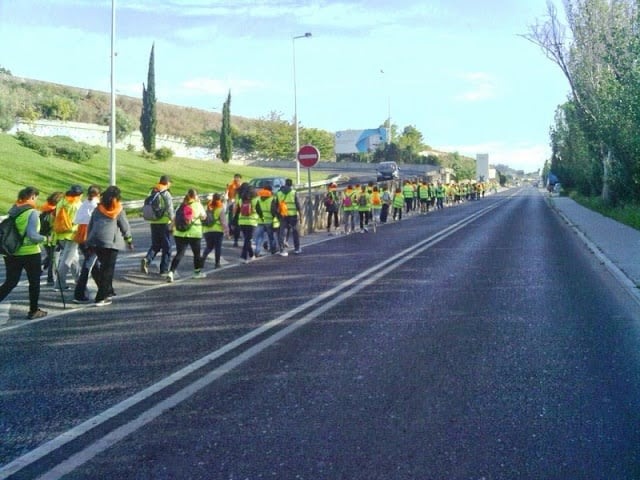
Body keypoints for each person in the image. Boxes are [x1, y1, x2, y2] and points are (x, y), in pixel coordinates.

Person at [0, 186, 48, 319]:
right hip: (30, 253)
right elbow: (32, 235)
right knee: (34, 282)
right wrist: (45, 238)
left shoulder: (13, 210)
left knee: (10, 282)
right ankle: (33, 310)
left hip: (12, 252)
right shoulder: (31, 213)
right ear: (32, 197)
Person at [86, 185, 133, 306]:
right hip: (111, 242)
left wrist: (89, 240)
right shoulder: (118, 210)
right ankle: (101, 297)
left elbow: (91, 224)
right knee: (108, 269)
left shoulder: (98, 209)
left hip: (96, 241)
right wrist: (129, 240)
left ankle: (108, 290)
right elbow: (124, 226)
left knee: (102, 267)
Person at [167, 188, 206, 282]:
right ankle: (197, 272)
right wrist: (199, 204)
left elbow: (174, 217)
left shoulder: (182, 205)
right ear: (196, 196)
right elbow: (204, 217)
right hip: (194, 233)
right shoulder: (198, 205)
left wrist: (171, 227)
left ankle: (171, 272)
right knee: (196, 254)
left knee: (179, 253)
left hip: (179, 233)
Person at [73, 184, 101, 303]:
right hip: (91, 237)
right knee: (88, 265)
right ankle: (79, 293)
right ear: (98, 195)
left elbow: (76, 220)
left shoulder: (84, 204)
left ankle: (104, 288)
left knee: (94, 265)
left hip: (81, 235)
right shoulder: (95, 206)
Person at [141, 175, 174, 276]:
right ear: (167, 183)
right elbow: (170, 209)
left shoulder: (152, 191)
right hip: (164, 223)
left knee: (156, 245)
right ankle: (163, 270)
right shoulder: (166, 193)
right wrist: (173, 222)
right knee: (167, 247)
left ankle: (147, 259)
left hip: (153, 222)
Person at [53, 184, 83, 291]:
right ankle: (59, 284)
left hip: (60, 235)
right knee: (65, 262)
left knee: (73, 258)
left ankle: (79, 279)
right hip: (72, 235)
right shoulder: (77, 205)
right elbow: (78, 221)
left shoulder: (62, 202)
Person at [39, 191, 63, 285]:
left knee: (50, 257)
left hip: (45, 237)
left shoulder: (46, 209)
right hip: (52, 238)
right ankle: (51, 279)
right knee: (54, 258)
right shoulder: (54, 211)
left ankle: (39, 269)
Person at [236, 184, 262, 263]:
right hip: (251, 221)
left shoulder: (241, 200)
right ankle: (243, 257)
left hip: (242, 221)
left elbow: (238, 210)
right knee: (248, 239)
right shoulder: (256, 199)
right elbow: (259, 210)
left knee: (247, 239)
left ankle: (251, 255)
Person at [201, 193, 228, 269]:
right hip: (218, 230)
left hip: (207, 230)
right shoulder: (220, 208)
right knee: (217, 247)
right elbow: (223, 222)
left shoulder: (208, 207)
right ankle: (217, 263)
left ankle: (203, 258)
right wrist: (227, 232)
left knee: (209, 247)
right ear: (219, 199)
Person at [276, 178, 302, 255]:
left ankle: (282, 250)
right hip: (293, 215)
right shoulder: (293, 192)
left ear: (285, 184)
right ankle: (297, 248)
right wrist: (301, 216)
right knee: (295, 232)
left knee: (282, 232)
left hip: (283, 215)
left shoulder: (279, 193)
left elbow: (276, 205)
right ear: (291, 184)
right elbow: (298, 205)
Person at [254, 186, 279, 257]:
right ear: (270, 191)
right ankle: (273, 250)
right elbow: (273, 210)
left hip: (260, 221)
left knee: (259, 237)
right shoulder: (271, 199)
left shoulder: (258, 199)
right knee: (271, 237)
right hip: (269, 221)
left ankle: (257, 251)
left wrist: (261, 216)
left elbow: (257, 209)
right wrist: (275, 217)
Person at [225, 173, 243, 247]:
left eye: (238, 178)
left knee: (238, 219)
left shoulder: (241, 185)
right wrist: (228, 199)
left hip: (238, 203)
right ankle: (231, 232)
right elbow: (226, 193)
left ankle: (237, 233)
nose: (237, 179)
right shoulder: (231, 185)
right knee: (231, 218)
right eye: (236, 177)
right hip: (231, 202)